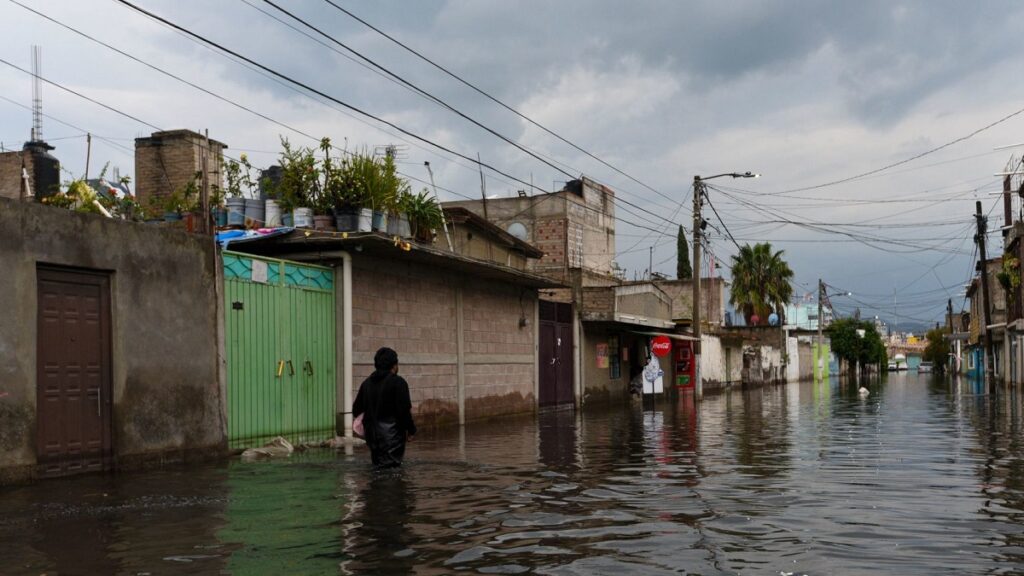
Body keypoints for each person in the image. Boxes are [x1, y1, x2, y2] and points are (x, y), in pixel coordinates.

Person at [353, 347, 416, 468]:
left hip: (372, 436)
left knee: (377, 468)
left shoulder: (366, 383)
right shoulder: (398, 382)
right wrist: (411, 430)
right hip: (392, 437)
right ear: (394, 365)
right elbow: (404, 412)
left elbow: (356, 409)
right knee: (391, 474)